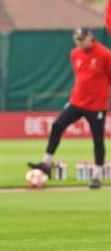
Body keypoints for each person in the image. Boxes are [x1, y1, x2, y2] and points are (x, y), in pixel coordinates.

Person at [28, 28, 110, 189]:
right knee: (57, 125)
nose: (79, 42)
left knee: (98, 139)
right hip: (77, 102)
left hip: (96, 105)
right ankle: (46, 162)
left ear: (90, 37)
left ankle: (97, 176)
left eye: (82, 39)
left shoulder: (105, 54)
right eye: (77, 39)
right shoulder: (75, 54)